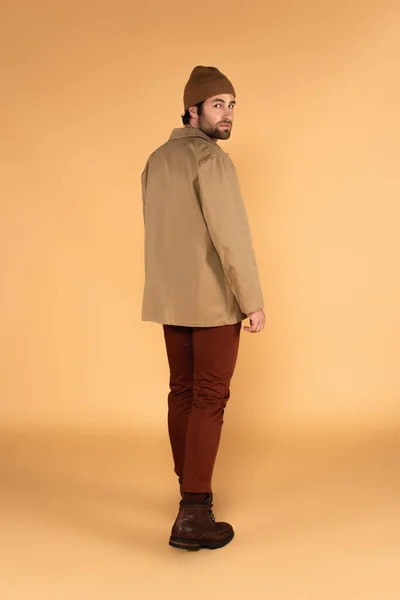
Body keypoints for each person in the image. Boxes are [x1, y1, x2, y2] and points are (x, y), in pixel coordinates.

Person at [141, 65, 265, 550]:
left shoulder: (155, 159)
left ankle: (190, 494)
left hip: (171, 299)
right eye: (219, 104)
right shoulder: (211, 160)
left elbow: (157, 231)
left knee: (183, 393)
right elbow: (231, 238)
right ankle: (194, 513)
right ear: (193, 110)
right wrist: (251, 301)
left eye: (232, 104)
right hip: (213, 301)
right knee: (209, 398)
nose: (229, 113)